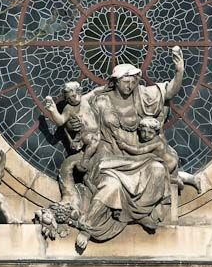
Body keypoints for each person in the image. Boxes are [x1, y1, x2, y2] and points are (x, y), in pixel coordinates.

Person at [73, 47, 185, 251]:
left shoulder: (142, 96)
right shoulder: (100, 100)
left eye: (134, 81)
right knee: (112, 185)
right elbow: (77, 108)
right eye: (126, 81)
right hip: (107, 158)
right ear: (115, 82)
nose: (130, 85)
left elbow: (168, 91)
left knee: (159, 170)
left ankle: (140, 212)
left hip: (137, 156)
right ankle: (87, 226)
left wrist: (179, 70)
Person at [114, 117, 201, 193]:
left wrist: (125, 146)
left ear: (155, 133)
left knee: (159, 177)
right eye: (143, 131)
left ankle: (178, 181)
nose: (146, 135)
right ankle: (192, 179)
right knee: (169, 174)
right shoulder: (152, 140)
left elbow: (139, 150)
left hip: (168, 163)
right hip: (168, 160)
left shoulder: (156, 142)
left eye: (150, 132)